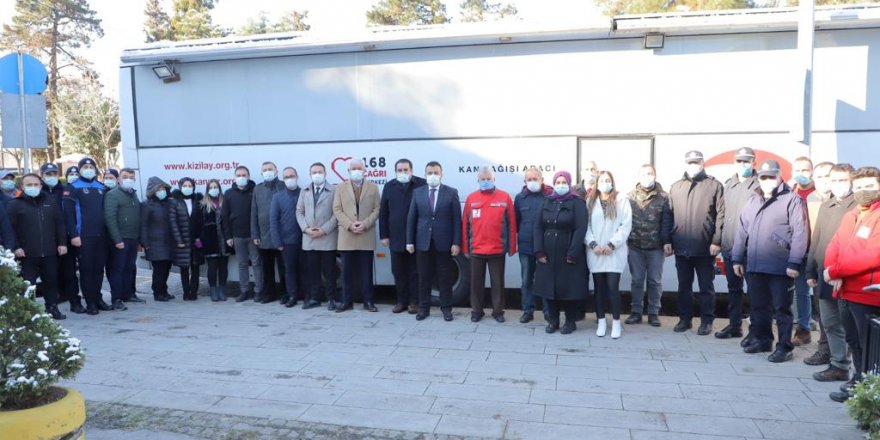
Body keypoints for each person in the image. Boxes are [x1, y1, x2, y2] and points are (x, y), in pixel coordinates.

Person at [732, 160, 809, 363]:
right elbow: (742, 231)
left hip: (780, 266)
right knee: (759, 307)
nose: (767, 180)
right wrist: (737, 258)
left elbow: (800, 233)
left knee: (782, 309)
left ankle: (784, 346)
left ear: (780, 176)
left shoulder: (792, 200)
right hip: (755, 264)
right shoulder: (753, 200)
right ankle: (763, 340)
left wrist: (794, 262)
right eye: (764, 177)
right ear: (759, 178)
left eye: (771, 176)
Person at [825, 166, 880, 402]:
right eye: (859, 187)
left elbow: (873, 255)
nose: (863, 191)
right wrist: (831, 270)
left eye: (869, 186)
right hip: (845, 292)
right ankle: (859, 381)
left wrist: (836, 270)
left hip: (867, 295)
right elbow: (834, 245)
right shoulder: (852, 215)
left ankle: (869, 389)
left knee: (870, 347)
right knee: (854, 341)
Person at [805, 163, 857, 380]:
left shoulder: (857, 207)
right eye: (833, 180)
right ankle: (839, 365)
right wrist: (810, 270)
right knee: (830, 322)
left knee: (850, 326)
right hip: (825, 276)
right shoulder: (827, 206)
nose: (836, 185)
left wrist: (842, 272)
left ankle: (857, 369)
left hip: (848, 278)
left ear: (851, 181)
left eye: (841, 180)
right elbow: (816, 240)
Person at [668, 150, 725, 335]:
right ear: (686, 164)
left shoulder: (714, 185)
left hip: (705, 247)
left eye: (697, 162)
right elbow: (669, 216)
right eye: (690, 162)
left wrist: (717, 240)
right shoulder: (676, 187)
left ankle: (707, 321)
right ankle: (685, 319)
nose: (694, 165)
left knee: (706, 287)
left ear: (703, 163)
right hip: (681, 246)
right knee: (684, 286)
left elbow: (721, 215)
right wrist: (667, 240)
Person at [533, 171, 588, 334]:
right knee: (549, 288)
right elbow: (538, 227)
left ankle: (570, 322)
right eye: (558, 182)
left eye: (564, 182)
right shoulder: (547, 201)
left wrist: (573, 252)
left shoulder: (577, 202)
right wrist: (539, 250)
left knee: (569, 288)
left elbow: (581, 228)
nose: (561, 185)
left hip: (568, 250)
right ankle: (553, 320)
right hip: (548, 251)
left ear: (569, 184)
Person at [406, 161, 461, 321]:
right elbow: (411, 218)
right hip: (423, 242)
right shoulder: (418, 192)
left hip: (444, 242)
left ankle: (446, 309)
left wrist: (456, 242)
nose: (433, 176)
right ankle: (423, 308)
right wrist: (410, 241)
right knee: (424, 277)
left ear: (441, 174)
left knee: (445, 276)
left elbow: (457, 220)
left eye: (436, 172)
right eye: (429, 173)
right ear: (425, 174)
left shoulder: (451, 192)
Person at [7, 174, 67, 319]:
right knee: (28, 284)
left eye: (36, 184)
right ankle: (29, 312)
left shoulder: (50, 201)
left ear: (41, 186)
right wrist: (16, 247)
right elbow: (10, 229)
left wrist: (62, 243)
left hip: (50, 251)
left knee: (51, 281)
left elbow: (59, 223)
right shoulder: (15, 204)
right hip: (27, 253)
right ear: (22, 186)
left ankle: (52, 307)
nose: (33, 187)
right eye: (29, 184)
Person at [462, 166, 517, 323]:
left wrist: (512, 247)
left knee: (497, 283)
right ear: (478, 180)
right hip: (476, 250)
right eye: (482, 179)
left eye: (488, 179)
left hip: (497, 249)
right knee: (476, 284)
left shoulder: (504, 197)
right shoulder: (471, 198)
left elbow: (512, 224)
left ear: (494, 179)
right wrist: (466, 248)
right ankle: (477, 311)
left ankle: (498, 311)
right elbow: (465, 225)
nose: (485, 181)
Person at [716, 147, 759, 340]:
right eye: (740, 161)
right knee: (734, 289)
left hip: (751, 249)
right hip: (730, 247)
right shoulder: (729, 184)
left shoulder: (760, 184)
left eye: (747, 161)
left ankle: (756, 329)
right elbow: (723, 214)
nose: (743, 165)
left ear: (754, 163)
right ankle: (735, 325)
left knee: (755, 291)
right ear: (734, 163)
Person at [62, 157, 112, 315]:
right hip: (83, 236)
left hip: (101, 235)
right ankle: (90, 302)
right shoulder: (73, 187)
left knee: (98, 269)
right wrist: (73, 235)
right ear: (80, 169)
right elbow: (68, 214)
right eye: (85, 166)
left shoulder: (101, 187)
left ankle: (98, 298)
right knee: (86, 269)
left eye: (91, 166)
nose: (89, 169)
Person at [586, 171, 633, 339]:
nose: (605, 183)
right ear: (597, 184)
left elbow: (625, 225)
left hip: (614, 252)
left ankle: (616, 323)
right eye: (602, 180)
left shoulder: (622, 201)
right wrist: (593, 244)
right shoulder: (590, 202)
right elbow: (586, 227)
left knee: (613, 288)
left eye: (608, 180)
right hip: (596, 252)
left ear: (613, 182)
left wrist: (612, 244)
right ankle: (601, 321)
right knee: (599, 289)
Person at [625, 164, 672, 327]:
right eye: (644, 174)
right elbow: (624, 221)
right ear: (638, 177)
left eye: (650, 173)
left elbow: (667, 221)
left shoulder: (664, 197)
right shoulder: (629, 197)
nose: (647, 176)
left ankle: (653, 313)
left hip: (656, 247)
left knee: (654, 281)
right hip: (635, 246)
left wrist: (667, 241)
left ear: (655, 175)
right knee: (637, 280)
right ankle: (636, 312)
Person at [333, 159, 380, 312]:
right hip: (347, 235)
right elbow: (337, 209)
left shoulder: (373, 187)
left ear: (365, 170)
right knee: (346, 272)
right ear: (348, 170)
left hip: (366, 234)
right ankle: (347, 301)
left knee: (366, 271)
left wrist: (365, 224)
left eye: (359, 168)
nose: (356, 171)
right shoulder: (340, 187)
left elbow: (377, 209)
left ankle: (368, 301)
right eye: (353, 168)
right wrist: (349, 224)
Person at [380, 158, 426, 315]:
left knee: (415, 271)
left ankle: (414, 302)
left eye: (405, 170)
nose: (402, 173)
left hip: (416, 236)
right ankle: (401, 301)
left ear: (411, 170)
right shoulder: (389, 186)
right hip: (396, 236)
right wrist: (384, 235)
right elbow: (383, 212)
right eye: (399, 170)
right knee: (398, 271)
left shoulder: (421, 184)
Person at [296, 162, 339, 310]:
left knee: (330, 271)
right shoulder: (305, 191)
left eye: (320, 172)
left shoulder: (334, 190)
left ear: (325, 173)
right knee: (313, 271)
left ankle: (331, 298)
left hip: (327, 237)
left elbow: (337, 214)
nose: (317, 174)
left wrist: (324, 230)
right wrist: (306, 229)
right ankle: (315, 298)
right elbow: (299, 212)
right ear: (310, 174)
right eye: (314, 172)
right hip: (309, 238)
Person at [514, 166, 552, 324]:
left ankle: (548, 312)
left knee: (545, 280)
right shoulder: (520, 198)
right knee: (526, 280)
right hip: (526, 246)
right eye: (529, 179)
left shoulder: (550, 196)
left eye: (535, 179)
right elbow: (516, 222)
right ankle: (527, 311)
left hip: (546, 247)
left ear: (542, 180)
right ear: (525, 181)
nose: (532, 182)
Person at [222, 166, 263, 302]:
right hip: (237, 235)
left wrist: (257, 234)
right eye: (238, 175)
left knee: (256, 263)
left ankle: (258, 291)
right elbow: (225, 217)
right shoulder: (228, 193)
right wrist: (228, 236)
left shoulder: (255, 190)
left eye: (244, 174)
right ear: (234, 177)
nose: (241, 177)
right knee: (242, 264)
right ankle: (244, 290)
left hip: (253, 235)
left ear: (249, 176)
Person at [104, 168, 141, 310]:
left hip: (133, 238)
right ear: (118, 179)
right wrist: (117, 239)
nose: (129, 179)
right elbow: (110, 218)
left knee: (129, 268)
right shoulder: (112, 195)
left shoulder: (133, 195)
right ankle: (116, 299)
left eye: (131, 177)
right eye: (125, 176)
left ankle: (128, 294)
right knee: (117, 270)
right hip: (120, 239)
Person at [790, 156, 818, 345]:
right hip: (794, 251)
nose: (801, 174)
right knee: (796, 292)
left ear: (812, 172)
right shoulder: (790, 192)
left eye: (805, 170)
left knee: (810, 293)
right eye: (798, 170)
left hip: (814, 251)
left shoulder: (819, 193)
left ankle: (808, 329)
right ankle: (800, 327)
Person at [251, 161, 286, 303]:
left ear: (276, 171)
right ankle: (269, 294)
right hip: (263, 236)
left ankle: (286, 293)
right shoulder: (257, 189)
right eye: (265, 170)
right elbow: (254, 212)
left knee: (284, 268)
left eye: (270, 169)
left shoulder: (284, 186)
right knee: (267, 268)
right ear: (261, 173)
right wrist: (255, 234)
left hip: (281, 236)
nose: (267, 172)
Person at [270, 167, 304, 308]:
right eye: (287, 177)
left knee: (305, 270)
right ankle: (292, 296)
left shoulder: (305, 193)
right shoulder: (278, 197)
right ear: (283, 179)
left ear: (297, 176)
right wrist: (277, 241)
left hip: (305, 240)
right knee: (289, 270)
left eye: (292, 175)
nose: (290, 178)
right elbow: (274, 220)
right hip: (287, 241)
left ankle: (307, 296)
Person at [141, 177, 176, 301]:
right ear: (152, 191)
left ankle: (164, 290)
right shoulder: (146, 205)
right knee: (159, 269)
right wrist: (145, 243)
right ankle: (157, 292)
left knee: (166, 267)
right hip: (154, 243)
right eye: (159, 189)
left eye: (163, 188)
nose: (162, 191)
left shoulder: (167, 203)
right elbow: (143, 225)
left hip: (168, 242)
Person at [57, 165, 85, 312]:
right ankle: (69, 298)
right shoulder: (60, 190)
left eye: (76, 173)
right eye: (70, 173)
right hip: (63, 238)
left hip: (79, 235)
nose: (73, 175)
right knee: (68, 271)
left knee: (84, 269)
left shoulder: (77, 189)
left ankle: (78, 301)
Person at [200, 180, 231, 301]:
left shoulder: (225, 201)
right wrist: (200, 239)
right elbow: (200, 223)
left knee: (224, 266)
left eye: (216, 187)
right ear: (208, 190)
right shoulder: (203, 204)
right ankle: (213, 291)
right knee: (212, 267)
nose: (214, 189)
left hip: (225, 240)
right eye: (211, 187)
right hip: (210, 241)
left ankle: (222, 290)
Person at [171, 178, 199, 300]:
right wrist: (179, 240)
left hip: (195, 240)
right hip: (182, 241)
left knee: (196, 267)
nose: (187, 187)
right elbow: (173, 223)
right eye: (185, 185)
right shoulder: (175, 202)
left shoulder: (197, 201)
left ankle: (194, 292)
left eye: (190, 185)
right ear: (180, 186)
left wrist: (199, 237)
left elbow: (200, 221)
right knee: (184, 268)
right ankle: (186, 292)